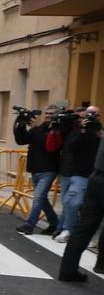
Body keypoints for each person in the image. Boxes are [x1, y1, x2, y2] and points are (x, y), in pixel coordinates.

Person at [58, 108, 104, 282]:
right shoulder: (89, 132)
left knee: (84, 228)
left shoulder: (98, 133)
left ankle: (67, 270)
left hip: (96, 179)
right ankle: (101, 264)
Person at [52, 105, 101, 243]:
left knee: (86, 206)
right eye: (91, 114)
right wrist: (83, 130)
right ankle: (67, 229)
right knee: (72, 202)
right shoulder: (78, 130)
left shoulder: (99, 131)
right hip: (78, 173)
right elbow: (71, 146)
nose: (93, 117)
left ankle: (73, 231)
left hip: (94, 174)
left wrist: (97, 130)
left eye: (96, 114)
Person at [12, 104, 62, 235]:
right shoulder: (39, 128)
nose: (48, 116)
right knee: (42, 198)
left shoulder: (58, 129)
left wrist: (34, 128)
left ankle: (29, 224)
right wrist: (21, 124)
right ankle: (54, 223)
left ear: (57, 115)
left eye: (52, 114)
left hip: (49, 168)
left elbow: (48, 144)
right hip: (35, 167)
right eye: (47, 113)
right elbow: (22, 140)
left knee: (38, 197)